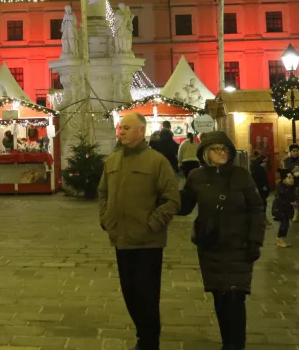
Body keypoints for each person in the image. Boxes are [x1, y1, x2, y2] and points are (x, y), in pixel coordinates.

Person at [98, 112, 179, 350]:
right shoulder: (112, 161)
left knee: (147, 295)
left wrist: (152, 224)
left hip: (148, 242)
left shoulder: (157, 161)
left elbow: (172, 200)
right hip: (121, 238)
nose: (121, 131)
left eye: (127, 127)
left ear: (141, 131)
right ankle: (143, 335)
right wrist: (106, 219)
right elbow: (103, 193)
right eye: (121, 128)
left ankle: (149, 341)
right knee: (130, 293)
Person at [179, 130, 264, 350]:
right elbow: (184, 205)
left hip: (239, 245)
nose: (222, 153)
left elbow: (256, 209)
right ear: (206, 153)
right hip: (211, 246)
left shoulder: (241, 175)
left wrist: (255, 240)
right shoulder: (197, 177)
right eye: (217, 149)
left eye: (225, 149)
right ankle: (228, 341)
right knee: (220, 295)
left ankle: (235, 345)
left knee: (235, 296)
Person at [272, 172, 297, 248]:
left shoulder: (291, 187)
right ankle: (280, 240)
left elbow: (292, 197)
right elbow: (282, 198)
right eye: (289, 178)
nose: (291, 180)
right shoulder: (281, 187)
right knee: (284, 224)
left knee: (286, 224)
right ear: (284, 179)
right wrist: (291, 202)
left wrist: (294, 202)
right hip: (279, 209)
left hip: (285, 209)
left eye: (293, 178)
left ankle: (282, 239)